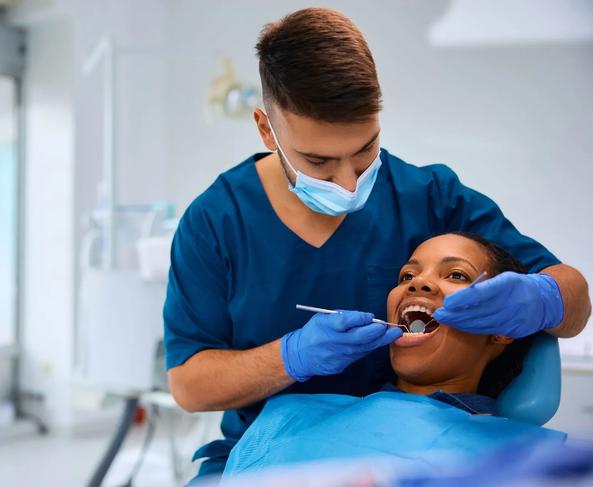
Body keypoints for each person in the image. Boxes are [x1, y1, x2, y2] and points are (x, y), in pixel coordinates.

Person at [164, 8, 591, 477]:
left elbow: (573, 299)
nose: (348, 184)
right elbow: (189, 386)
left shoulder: (429, 197)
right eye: (320, 162)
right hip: (274, 448)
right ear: (268, 130)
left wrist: (543, 298)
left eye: (365, 150)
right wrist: (292, 357)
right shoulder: (217, 221)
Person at [222, 233, 566, 477]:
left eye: (456, 275)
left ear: (502, 325)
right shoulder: (288, 416)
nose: (417, 284)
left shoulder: (536, 461)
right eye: (408, 275)